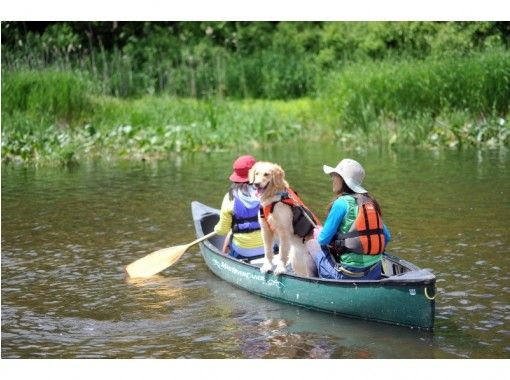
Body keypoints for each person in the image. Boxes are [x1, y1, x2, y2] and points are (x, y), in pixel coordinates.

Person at [305, 158, 391, 280]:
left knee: (311, 243)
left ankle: (312, 286)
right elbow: (387, 237)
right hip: (374, 272)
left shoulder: (341, 204)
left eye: (335, 175)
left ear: (343, 179)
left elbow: (323, 240)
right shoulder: (370, 203)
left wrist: (319, 233)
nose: (332, 178)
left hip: (348, 274)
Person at [213, 155, 265, 260]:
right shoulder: (269, 194)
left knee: (231, 231)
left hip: (243, 252)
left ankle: (225, 259)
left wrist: (216, 230)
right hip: (269, 248)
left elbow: (222, 230)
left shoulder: (230, 197)